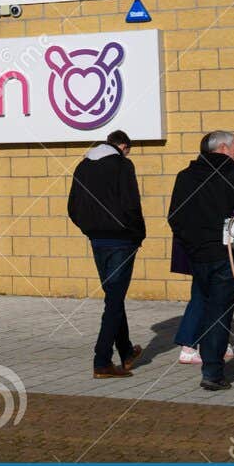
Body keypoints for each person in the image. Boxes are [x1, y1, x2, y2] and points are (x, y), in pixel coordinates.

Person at [168, 131, 234, 391]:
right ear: (224, 148)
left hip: (198, 255)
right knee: (219, 313)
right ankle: (212, 372)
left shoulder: (185, 176)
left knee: (207, 305)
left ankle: (208, 361)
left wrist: (192, 245)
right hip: (228, 255)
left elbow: (175, 216)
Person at [67, 129, 146, 378]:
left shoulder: (83, 166)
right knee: (113, 300)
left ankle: (126, 351)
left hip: (97, 239)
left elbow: (72, 206)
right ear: (123, 147)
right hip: (122, 240)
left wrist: (89, 228)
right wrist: (138, 234)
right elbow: (132, 203)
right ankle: (102, 360)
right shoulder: (123, 166)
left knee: (114, 295)